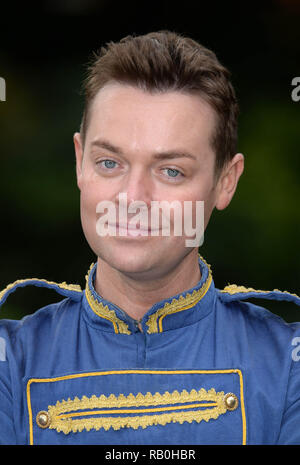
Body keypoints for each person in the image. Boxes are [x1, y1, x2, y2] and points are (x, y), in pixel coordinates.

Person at [0, 30, 299, 446]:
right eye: (109, 162)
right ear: (79, 163)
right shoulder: (10, 362)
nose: (133, 198)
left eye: (171, 170)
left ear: (225, 182)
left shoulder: (288, 367)